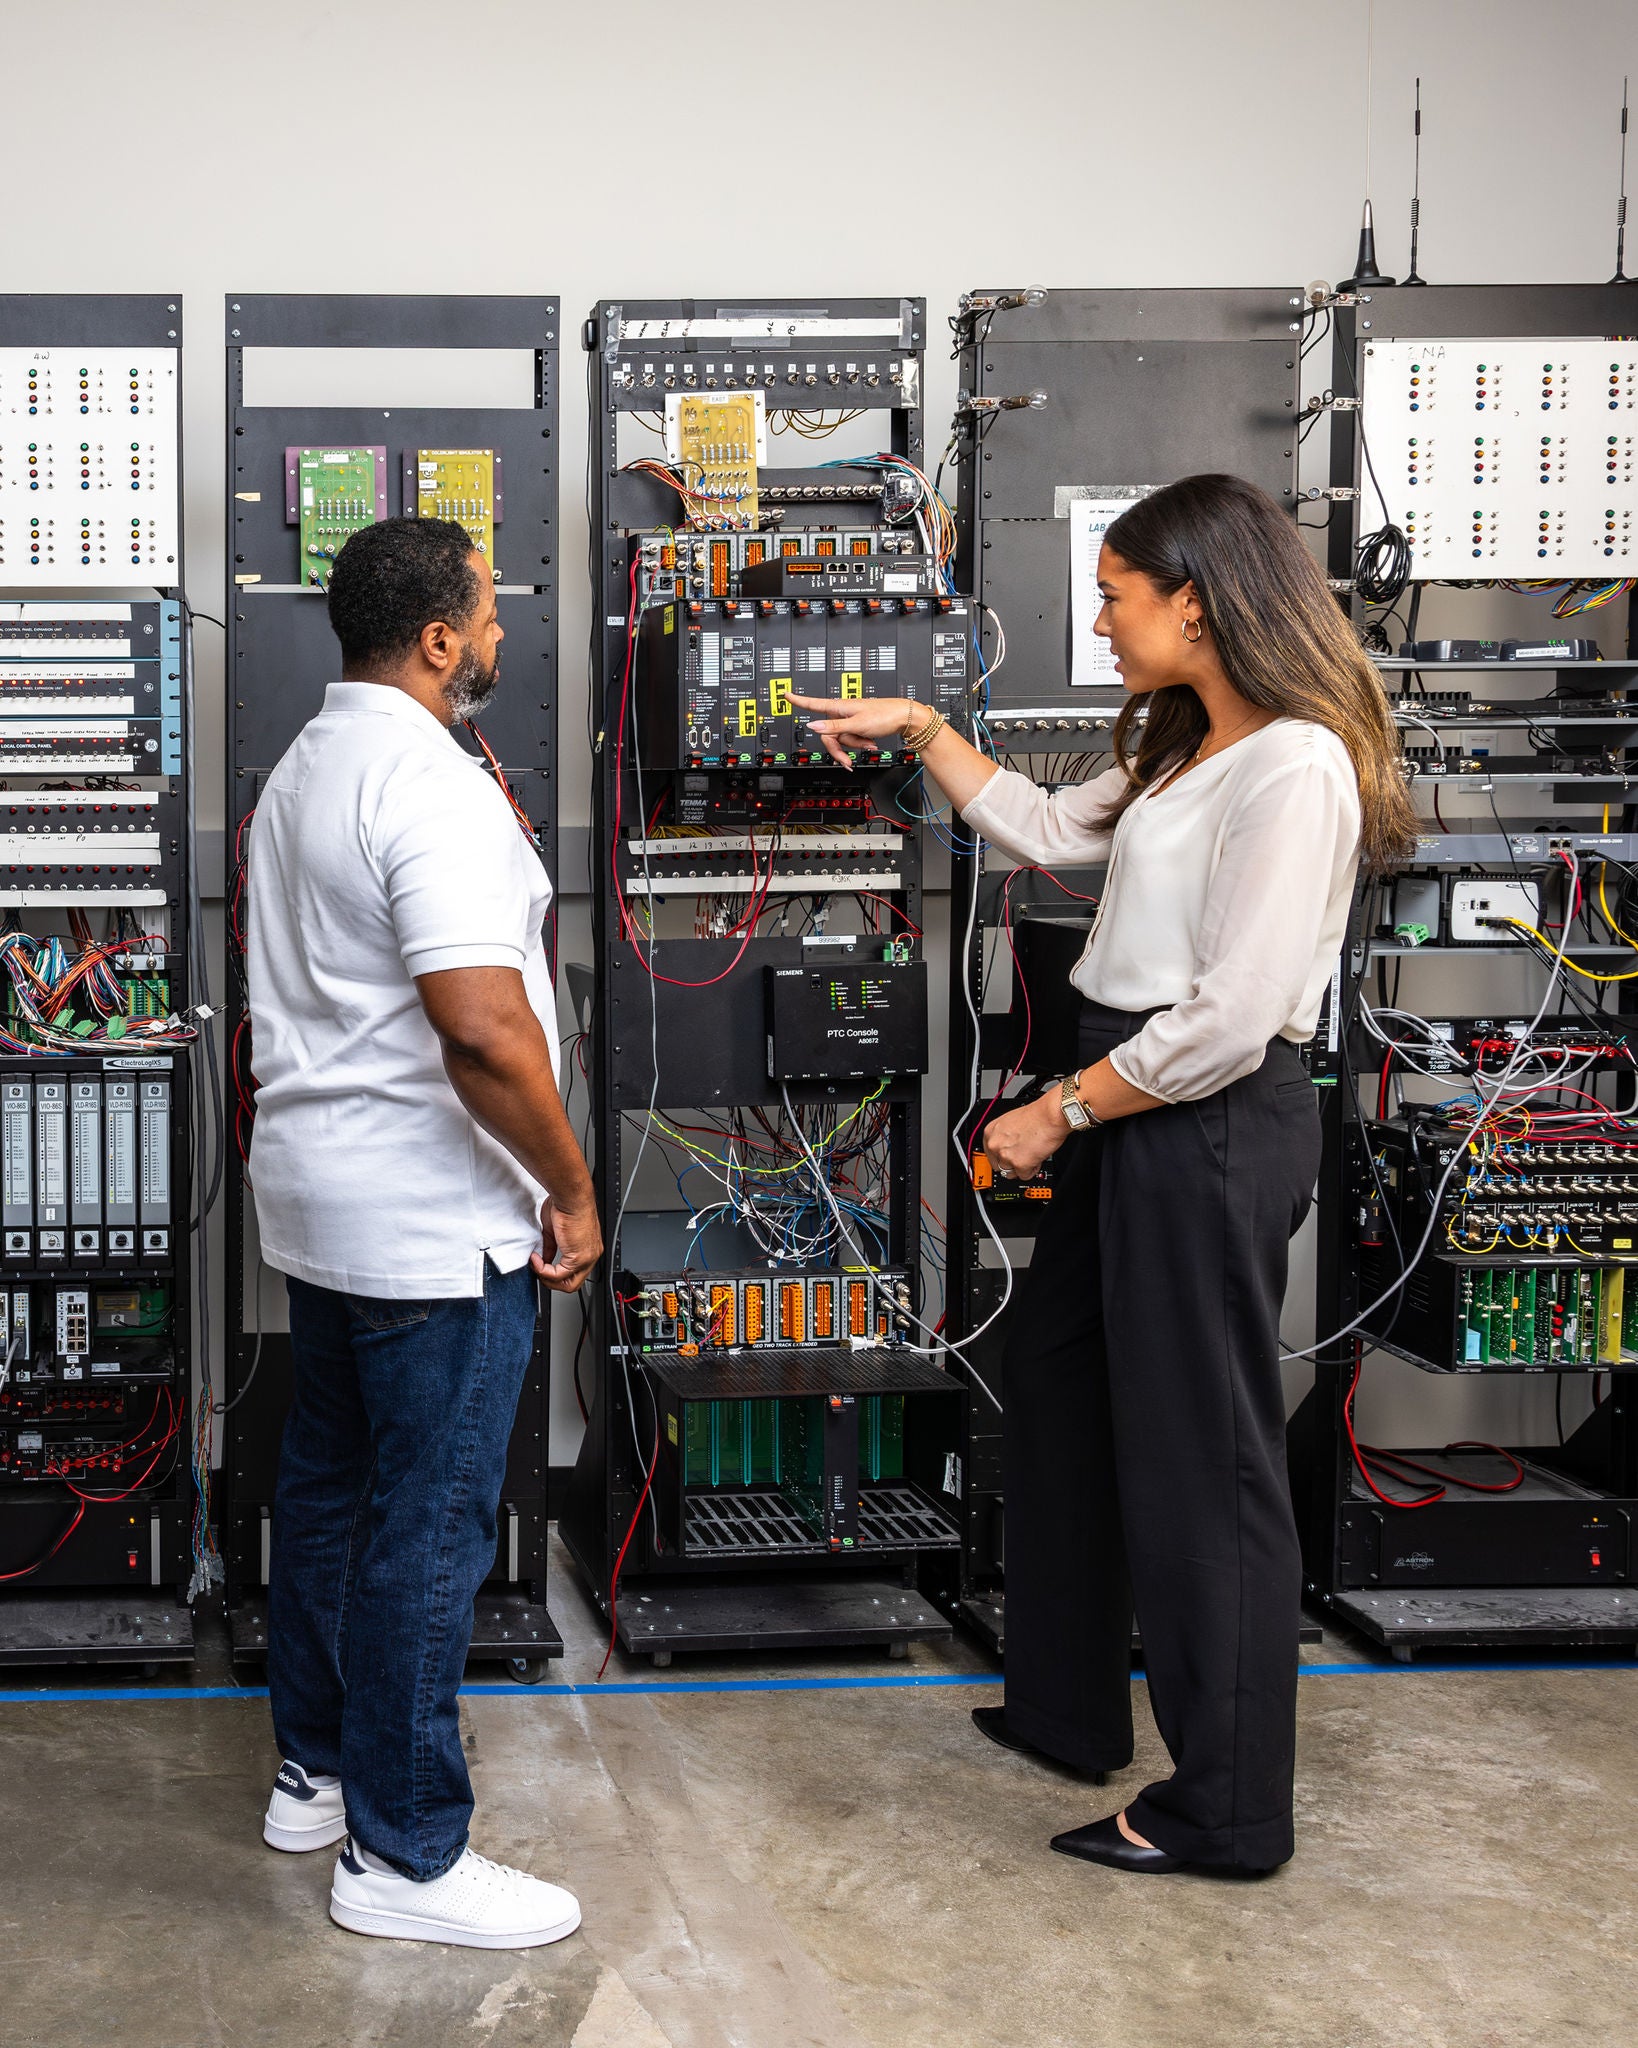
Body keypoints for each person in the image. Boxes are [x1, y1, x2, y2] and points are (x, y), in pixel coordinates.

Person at [792, 473, 1413, 1876]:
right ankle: (1067, 1708)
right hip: (1131, 1091)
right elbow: (1047, 828)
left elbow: (1231, 1015)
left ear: (1194, 601)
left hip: (1196, 1113)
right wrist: (930, 732)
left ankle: (1227, 1812)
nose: (1101, 619)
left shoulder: (1294, 765)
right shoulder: (1195, 744)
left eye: (1118, 597)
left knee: (1207, 1469)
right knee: (1066, 1399)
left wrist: (1055, 1114)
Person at [247, 517, 601, 1946]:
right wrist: (569, 1190)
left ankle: (316, 1775)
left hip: (323, 1206)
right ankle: (405, 1859)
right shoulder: (429, 785)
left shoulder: (302, 769)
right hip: (431, 1226)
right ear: (440, 639)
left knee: (328, 1499)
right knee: (428, 1529)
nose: (503, 632)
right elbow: (480, 1026)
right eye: (490, 613)